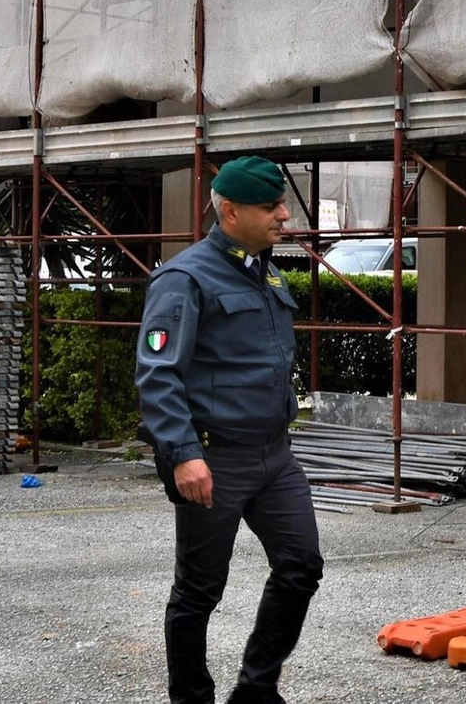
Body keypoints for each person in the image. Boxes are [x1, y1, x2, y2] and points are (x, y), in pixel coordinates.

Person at [135, 156, 322, 704]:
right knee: (198, 592)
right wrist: (183, 452)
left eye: (282, 204)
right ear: (231, 212)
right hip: (214, 459)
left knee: (301, 565)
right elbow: (157, 373)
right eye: (272, 207)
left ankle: (257, 688)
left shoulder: (261, 269)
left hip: (273, 456)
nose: (285, 215)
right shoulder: (185, 278)